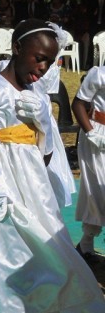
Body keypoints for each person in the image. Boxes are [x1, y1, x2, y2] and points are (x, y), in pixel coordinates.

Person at [0, 19, 105, 312]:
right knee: (14, 259)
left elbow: (45, 156)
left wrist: (43, 123)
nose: (42, 68)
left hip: (36, 183)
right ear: (17, 48)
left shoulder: (37, 98)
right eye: (38, 59)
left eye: (49, 63)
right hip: (1, 183)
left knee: (56, 252)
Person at [72, 65, 105, 264]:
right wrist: (91, 133)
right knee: (98, 189)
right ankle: (85, 244)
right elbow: (78, 104)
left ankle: (85, 244)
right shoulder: (99, 73)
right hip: (98, 137)